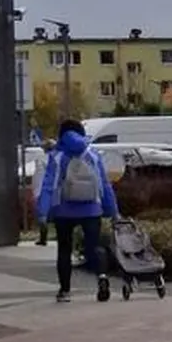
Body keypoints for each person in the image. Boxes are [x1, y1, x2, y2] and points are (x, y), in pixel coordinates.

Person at [35, 119, 119, 303]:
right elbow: (104, 185)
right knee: (95, 246)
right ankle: (102, 278)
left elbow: (49, 186)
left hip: (63, 211)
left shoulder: (57, 157)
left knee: (64, 250)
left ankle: (65, 291)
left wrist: (42, 212)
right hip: (92, 210)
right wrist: (113, 211)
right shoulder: (93, 155)